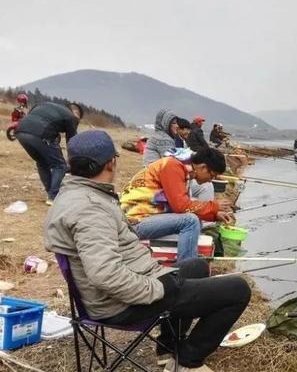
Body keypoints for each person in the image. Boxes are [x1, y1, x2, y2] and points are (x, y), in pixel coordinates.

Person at [44, 130, 251, 372]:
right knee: (238, 290)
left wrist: (158, 276)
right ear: (111, 163)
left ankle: (167, 349)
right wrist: (158, 287)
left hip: (131, 283)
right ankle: (188, 362)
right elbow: (105, 274)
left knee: (196, 266)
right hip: (121, 304)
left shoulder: (77, 194)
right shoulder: (90, 210)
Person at [120, 147, 234, 261]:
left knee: (196, 221)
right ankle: (186, 270)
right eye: (212, 175)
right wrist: (214, 206)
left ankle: (184, 261)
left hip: (147, 218)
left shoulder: (182, 167)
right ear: (203, 167)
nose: (210, 180)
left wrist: (215, 215)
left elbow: (185, 206)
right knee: (191, 221)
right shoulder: (172, 166)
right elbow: (181, 207)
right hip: (134, 223)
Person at [16, 101, 83, 204]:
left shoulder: (43, 104)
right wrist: (74, 162)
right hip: (41, 135)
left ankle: (50, 192)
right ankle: (53, 196)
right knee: (60, 166)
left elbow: (33, 117)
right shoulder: (71, 118)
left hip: (20, 131)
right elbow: (72, 143)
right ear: (77, 116)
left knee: (42, 162)